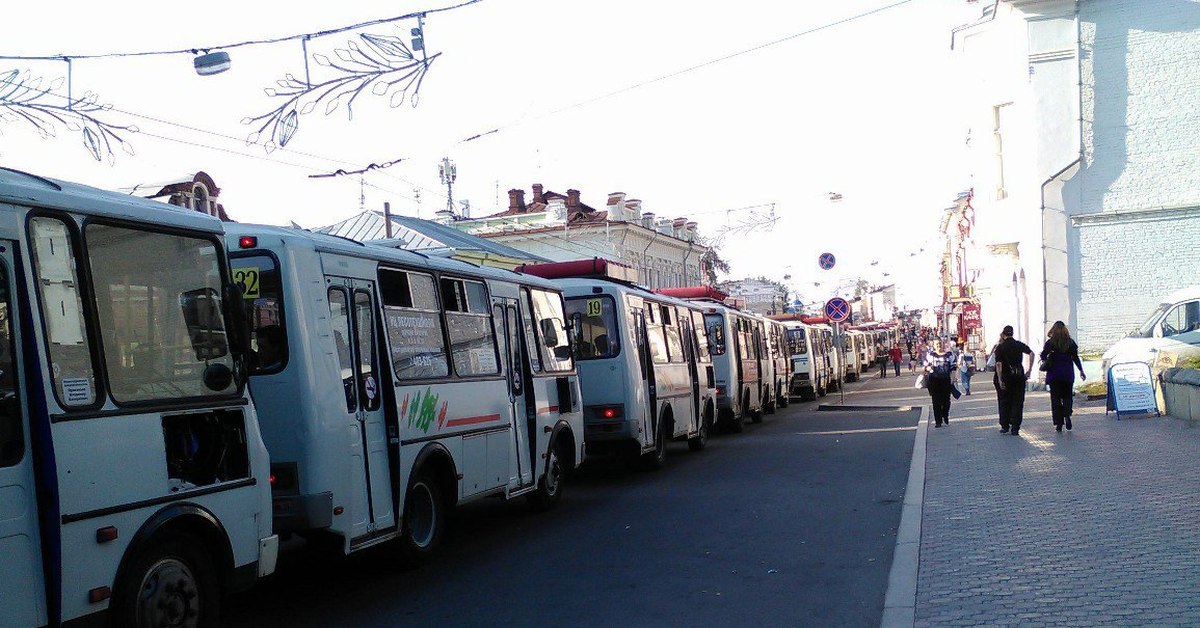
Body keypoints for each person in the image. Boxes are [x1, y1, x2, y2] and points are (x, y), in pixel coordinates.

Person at [1040, 321, 1086, 432]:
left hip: (1054, 375)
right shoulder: (1070, 343)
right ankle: (1067, 415)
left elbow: (1043, 355)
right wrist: (1081, 370)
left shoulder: (1050, 343)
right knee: (1067, 397)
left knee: (1055, 399)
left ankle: (1059, 423)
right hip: (1067, 374)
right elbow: (1075, 357)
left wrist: (1049, 358)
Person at [993, 325, 1034, 436]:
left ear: (1004, 334)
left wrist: (1000, 379)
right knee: (1018, 401)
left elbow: (999, 364)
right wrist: (1029, 370)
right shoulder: (1018, 345)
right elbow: (1031, 353)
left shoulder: (1000, 347)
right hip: (1018, 376)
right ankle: (1015, 427)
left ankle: (1005, 425)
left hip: (1006, 377)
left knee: (1004, 401)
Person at [925, 340, 955, 427]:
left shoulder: (949, 355)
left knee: (946, 401)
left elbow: (953, 368)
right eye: (937, 344)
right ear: (934, 346)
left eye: (940, 344)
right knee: (936, 401)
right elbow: (925, 367)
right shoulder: (931, 355)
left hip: (946, 380)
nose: (939, 345)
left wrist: (952, 379)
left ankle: (945, 415)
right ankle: (938, 421)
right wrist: (928, 368)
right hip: (934, 380)